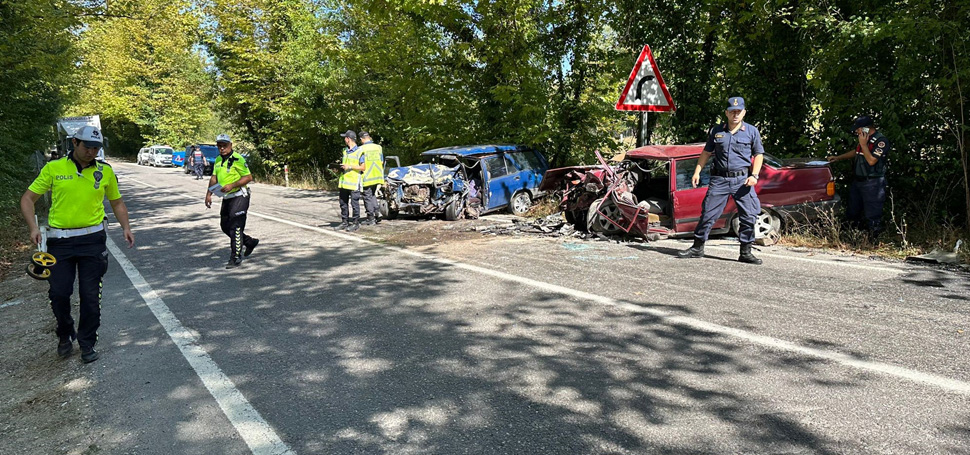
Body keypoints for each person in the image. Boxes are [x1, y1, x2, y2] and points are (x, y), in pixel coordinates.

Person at [19, 126, 135, 363]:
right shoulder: (54, 168)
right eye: (87, 147)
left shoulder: (105, 171)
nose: (91, 152)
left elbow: (117, 202)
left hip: (92, 241)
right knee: (59, 293)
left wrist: (126, 227)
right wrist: (33, 227)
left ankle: (87, 342)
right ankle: (65, 333)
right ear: (74, 143)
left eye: (96, 148)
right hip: (59, 242)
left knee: (90, 296)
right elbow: (28, 199)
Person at [679, 96, 765, 265]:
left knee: (748, 216)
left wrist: (754, 175)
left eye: (738, 111)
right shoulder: (717, 131)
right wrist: (697, 172)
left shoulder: (751, 131)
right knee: (708, 214)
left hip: (742, 180)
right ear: (726, 113)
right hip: (720, 180)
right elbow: (706, 152)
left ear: (744, 113)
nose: (735, 114)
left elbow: (759, 154)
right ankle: (697, 248)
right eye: (732, 111)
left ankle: (746, 252)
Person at [827, 115, 891, 239]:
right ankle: (852, 237)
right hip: (858, 181)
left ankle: (874, 240)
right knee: (853, 211)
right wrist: (838, 157)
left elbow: (872, 160)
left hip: (873, 182)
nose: (856, 131)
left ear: (866, 128)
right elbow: (857, 152)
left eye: (858, 129)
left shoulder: (880, 141)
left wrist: (864, 144)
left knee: (872, 214)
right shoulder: (864, 139)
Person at [204, 134, 259, 268]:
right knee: (225, 226)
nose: (222, 148)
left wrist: (232, 185)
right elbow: (214, 178)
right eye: (219, 146)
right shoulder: (218, 159)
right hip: (227, 197)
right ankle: (249, 242)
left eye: (224, 146)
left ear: (230, 145)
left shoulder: (238, 159)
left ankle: (235, 257)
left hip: (239, 195)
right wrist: (208, 194)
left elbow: (248, 177)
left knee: (236, 227)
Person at [335, 130, 364, 231]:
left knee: (354, 204)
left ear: (348, 139)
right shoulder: (345, 151)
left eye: (345, 138)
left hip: (354, 182)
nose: (344, 139)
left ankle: (355, 223)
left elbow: (363, 167)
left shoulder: (359, 151)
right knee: (343, 203)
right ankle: (345, 222)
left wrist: (349, 166)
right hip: (344, 182)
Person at [357, 131, 384, 225]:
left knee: (367, 197)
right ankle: (377, 212)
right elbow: (381, 161)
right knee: (372, 194)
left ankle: (371, 218)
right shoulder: (378, 147)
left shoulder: (361, 149)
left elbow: (361, 163)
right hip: (377, 176)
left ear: (361, 139)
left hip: (367, 176)